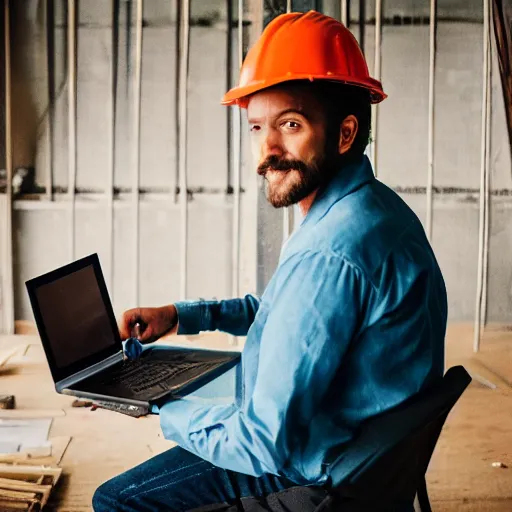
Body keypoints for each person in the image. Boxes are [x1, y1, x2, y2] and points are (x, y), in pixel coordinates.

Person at [93, 10, 447, 512]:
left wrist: (159, 404)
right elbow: (294, 314)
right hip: (359, 455)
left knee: (117, 501)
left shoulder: (331, 251)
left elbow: (260, 443)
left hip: (313, 474)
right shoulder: (373, 210)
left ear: (345, 134)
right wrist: (183, 316)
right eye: (257, 126)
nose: (267, 151)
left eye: (291, 124)